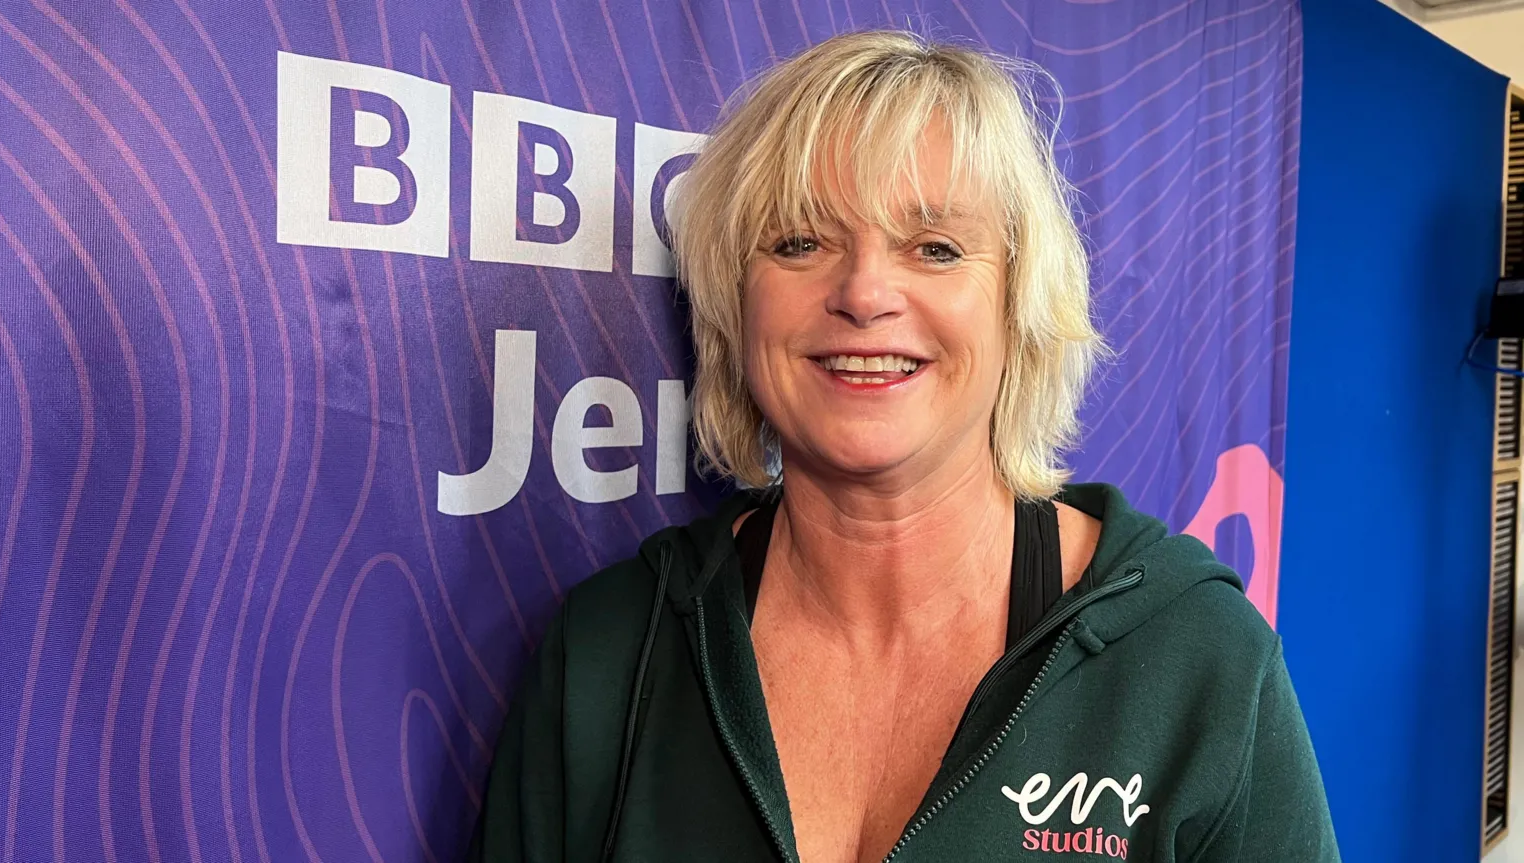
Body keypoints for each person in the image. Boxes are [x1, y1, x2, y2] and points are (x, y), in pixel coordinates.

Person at [468, 29, 1339, 863]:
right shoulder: (609, 652)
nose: (864, 291)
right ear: (735, 306)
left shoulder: (1197, 660)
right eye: (800, 240)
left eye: (936, 247)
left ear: (1019, 307)